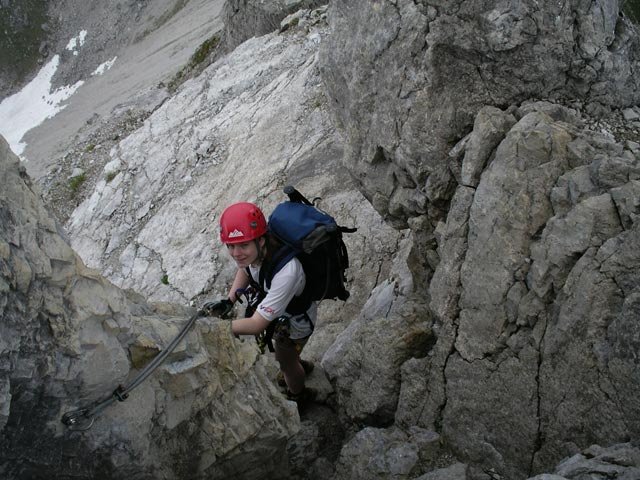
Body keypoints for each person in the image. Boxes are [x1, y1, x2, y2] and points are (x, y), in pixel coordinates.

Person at [204, 201, 315, 403]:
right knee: (289, 357)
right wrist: (229, 300)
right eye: (231, 246)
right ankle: (298, 363)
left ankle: (299, 395)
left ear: (261, 240)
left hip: (297, 322)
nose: (236, 253)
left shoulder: (287, 272)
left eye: (243, 245)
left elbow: (256, 325)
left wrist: (214, 328)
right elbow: (245, 270)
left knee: (286, 363)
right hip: (283, 311)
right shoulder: (255, 253)